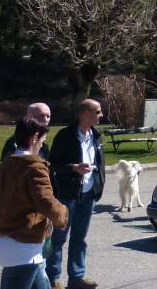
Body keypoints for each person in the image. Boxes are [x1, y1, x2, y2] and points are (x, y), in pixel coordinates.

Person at [0, 115, 69, 289]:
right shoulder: (36, 168)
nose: (42, 145)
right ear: (34, 137)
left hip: (9, 246)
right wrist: (63, 217)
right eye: (42, 140)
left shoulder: (1, 168)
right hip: (23, 249)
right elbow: (48, 204)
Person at [47, 99, 104, 289]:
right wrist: (74, 168)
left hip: (88, 195)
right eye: (98, 112)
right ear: (85, 113)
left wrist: (99, 186)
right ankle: (52, 279)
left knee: (80, 238)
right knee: (58, 239)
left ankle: (77, 277)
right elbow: (53, 164)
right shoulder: (65, 135)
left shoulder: (96, 136)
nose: (101, 116)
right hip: (67, 195)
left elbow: (100, 164)